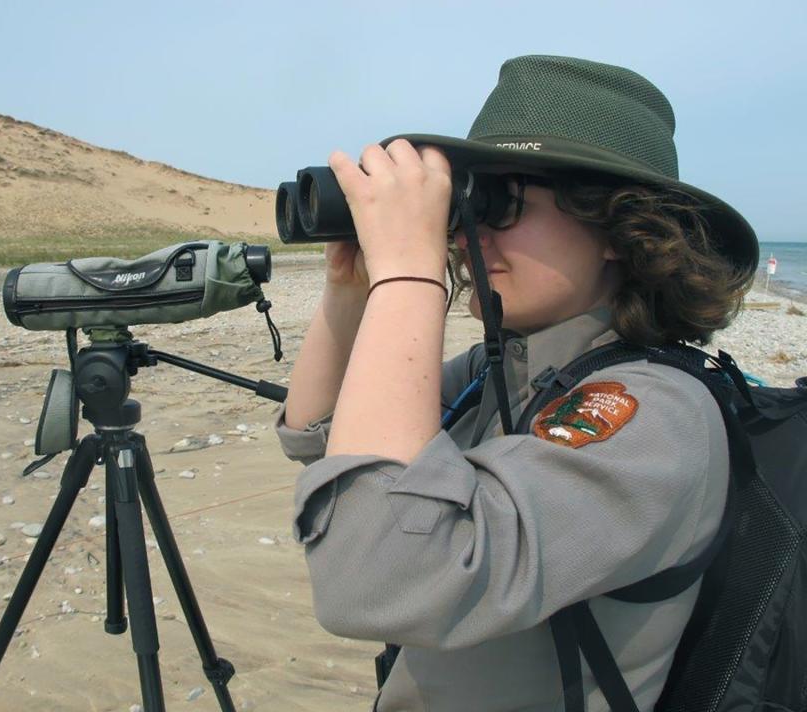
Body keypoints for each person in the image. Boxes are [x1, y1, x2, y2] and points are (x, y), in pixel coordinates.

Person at [276, 55, 758, 712]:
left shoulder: (655, 414)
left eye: (503, 203)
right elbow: (321, 437)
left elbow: (378, 574)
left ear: (617, 229)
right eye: (468, 206)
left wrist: (410, 277)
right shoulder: (507, 370)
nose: (473, 236)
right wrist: (351, 290)